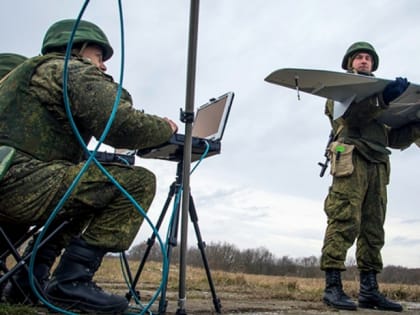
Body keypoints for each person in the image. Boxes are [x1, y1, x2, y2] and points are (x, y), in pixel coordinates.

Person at [0, 19, 178, 313]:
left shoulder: (21, 79)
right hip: (20, 185)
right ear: (75, 50)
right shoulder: (67, 69)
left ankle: (28, 279)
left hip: (13, 183)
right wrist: (165, 129)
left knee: (81, 190)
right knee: (135, 182)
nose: (103, 66)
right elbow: (118, 123)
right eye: (97, 56)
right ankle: (70, 282)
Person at [320, 41, 420, 312]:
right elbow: (351, 121)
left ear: (374, 64)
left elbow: (393, 139)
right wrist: (382, 99)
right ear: (349, 63)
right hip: (350, 156)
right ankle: (332, 287)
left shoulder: (385, 95)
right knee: (344, 218)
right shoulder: (340, 92)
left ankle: (369, 291)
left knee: (374, 227)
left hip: (378, 162)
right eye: (359, 57)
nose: (364, 61)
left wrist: (415, 123)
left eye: (368, 58)